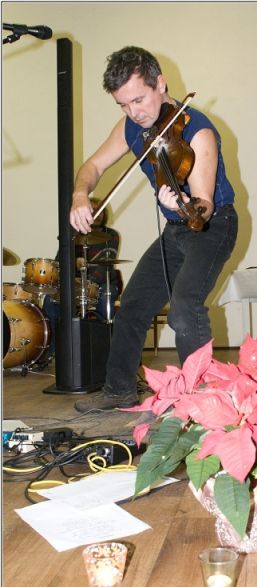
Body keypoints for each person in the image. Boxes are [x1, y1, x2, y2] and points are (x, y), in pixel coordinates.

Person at [70, 46, 237, 412]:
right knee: (132, 306)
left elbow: (204, 205)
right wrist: (81, 195)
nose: (135, 113)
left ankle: (205, 404)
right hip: (175, 232)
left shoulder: (197, 131)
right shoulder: (131, 126)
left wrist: (181, 204)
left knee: (184, 308)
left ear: (160, 84)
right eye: (123, 105)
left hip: (212, 226)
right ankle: (118, 391)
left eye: (139, 100)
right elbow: (93, 166)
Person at [42, 198, 120, 360]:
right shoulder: (72, 234)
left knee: (104, 298)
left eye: (100, 210)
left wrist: (85, 282)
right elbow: (58, 263)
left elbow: (104, 266)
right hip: (75, 284)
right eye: (92, 209)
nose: (96, 214)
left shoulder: (111, 235)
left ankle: (105, 351)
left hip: (103, 283)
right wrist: (74, 263)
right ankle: (54, 351)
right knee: (50, 301)